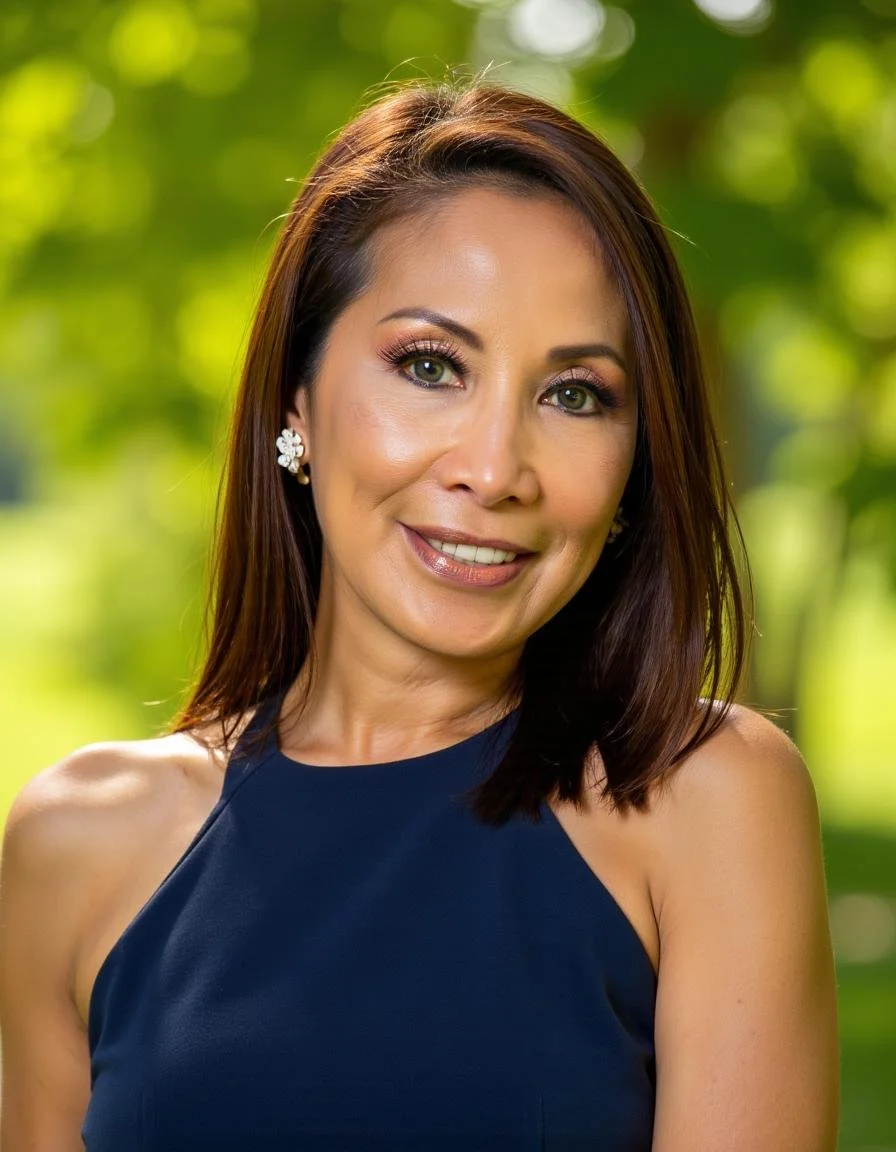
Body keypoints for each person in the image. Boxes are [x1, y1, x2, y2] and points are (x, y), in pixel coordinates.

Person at [0, 77, 839, 1150]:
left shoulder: (705, 799)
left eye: (574, 394)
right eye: (430, 366)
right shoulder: (78, 839)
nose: (494, 471)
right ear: (293, 402)